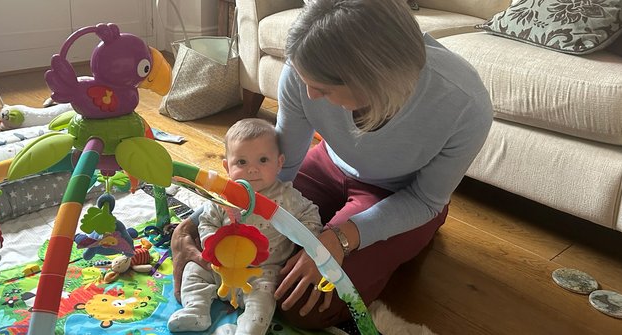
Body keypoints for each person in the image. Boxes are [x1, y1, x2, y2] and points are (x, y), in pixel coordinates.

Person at [172, 0, 493, 330]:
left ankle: (408, 244)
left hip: (402, 196)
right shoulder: (304, 71)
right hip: (328, 164)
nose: (309, 95)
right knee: (216, 241)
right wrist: (196, 222)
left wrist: (340, 238)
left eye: (323, 89)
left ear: (375, 80)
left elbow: (426, 199)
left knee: (301, 304)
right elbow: (277, 172)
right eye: (305, 81)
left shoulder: (464, 104)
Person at [167, 118, 322, 334]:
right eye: (241, 162)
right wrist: (210, 244)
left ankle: (250, 327)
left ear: (279, 162)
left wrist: (309, 243)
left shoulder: (287, 197)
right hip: (219, 267)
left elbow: (310, 214)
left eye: (263, 160)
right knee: (194, 269)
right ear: (226, 166)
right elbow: (207, 221)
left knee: (266, 297)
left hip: (262, 271)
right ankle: (196, 309)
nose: (252, 170)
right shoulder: (223, 196)